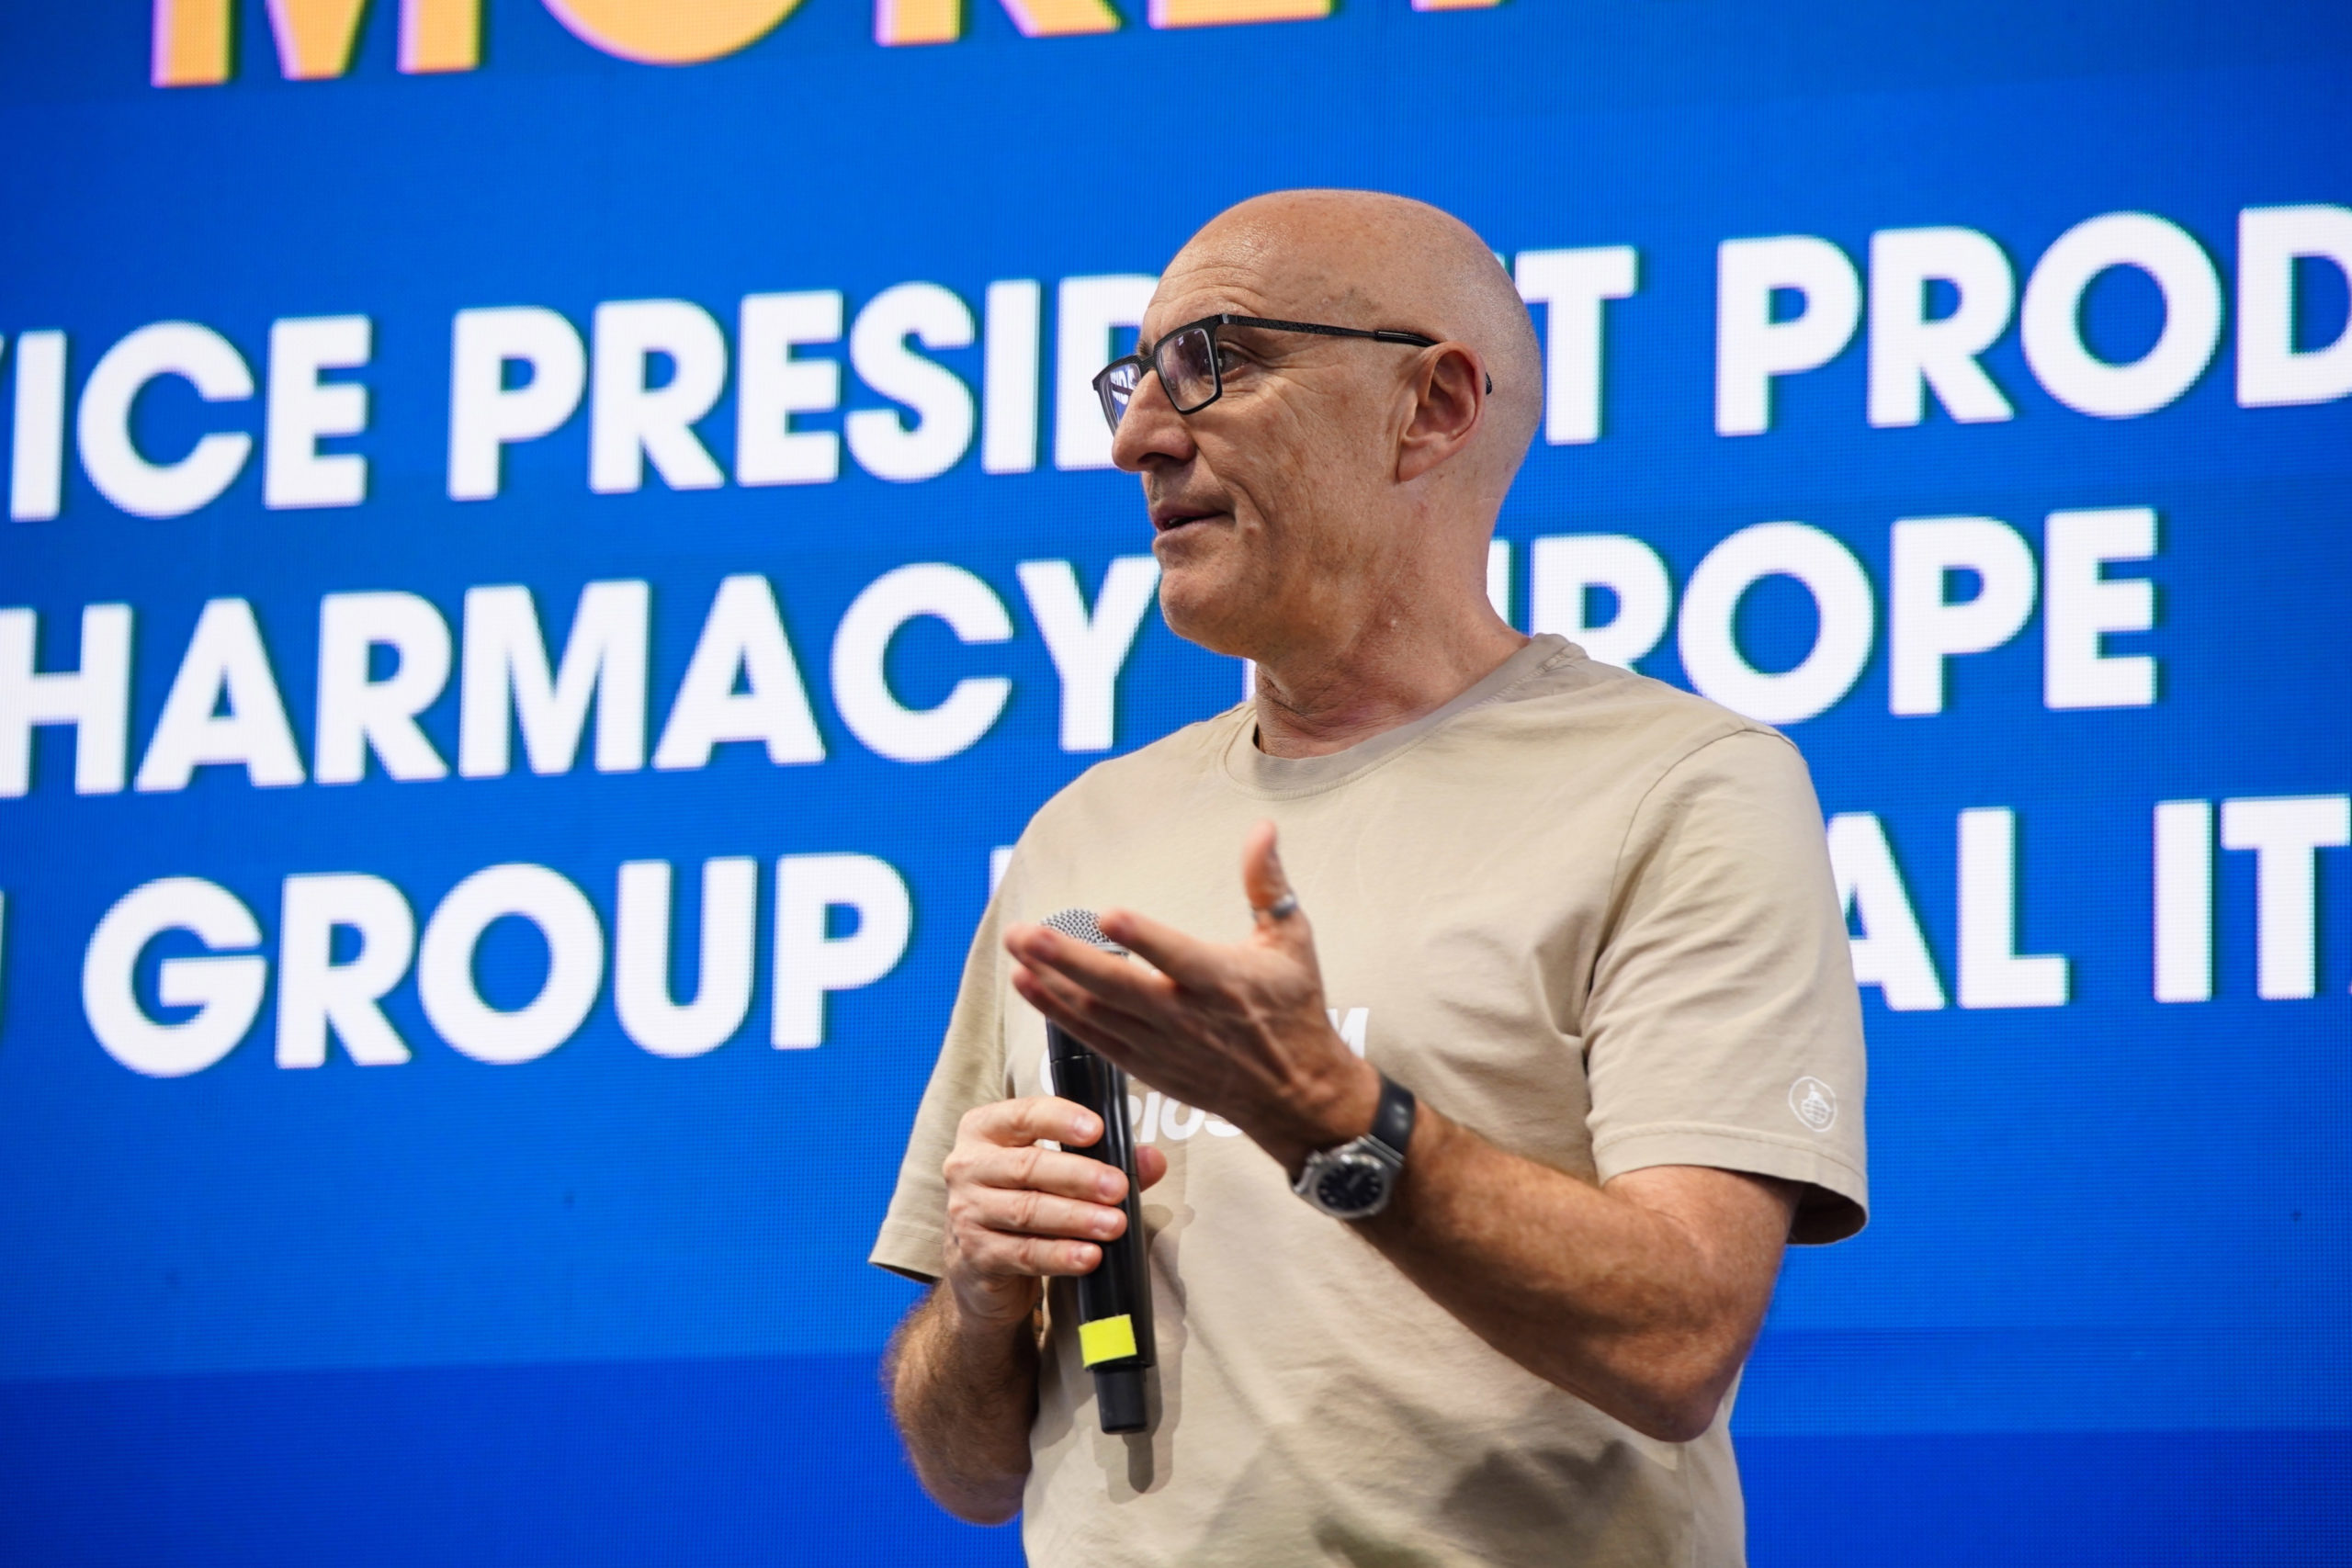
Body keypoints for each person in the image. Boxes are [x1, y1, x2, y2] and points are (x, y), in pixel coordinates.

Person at [869, 189, 1868, 1567]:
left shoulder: (1681, 786)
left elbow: (1679, 1339)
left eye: (1214, 362)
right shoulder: (1084, 834)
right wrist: (982, 1300)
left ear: (1432, 408)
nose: (1137, 436)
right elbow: (971, 1473)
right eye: (1136, 377)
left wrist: (1334, 1119)